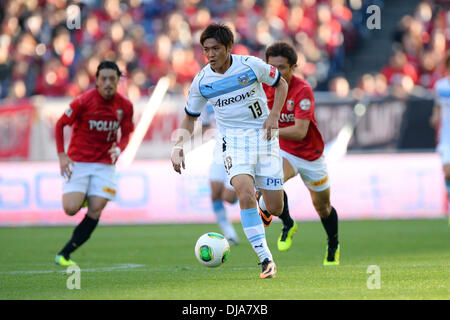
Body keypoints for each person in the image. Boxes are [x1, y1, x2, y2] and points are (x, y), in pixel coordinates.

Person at [171, 23, 288, 279]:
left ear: (228, 48)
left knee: (276, 207)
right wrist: (178, 145)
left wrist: (274, 116)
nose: (211, 54)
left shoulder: (251, 65)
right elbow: (190, 117)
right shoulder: (202, 81)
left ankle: (264, 204)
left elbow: (281, 85)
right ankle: (265, 259)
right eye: (206, 50)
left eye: (215, 49)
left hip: (265, 137)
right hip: (233, 142)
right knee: (243, 192)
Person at [259, 42, 340, 265]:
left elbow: (300, 131)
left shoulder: (302, 90)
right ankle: (287, 223)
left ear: (293, 67)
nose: (276, 72)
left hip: (311, 155)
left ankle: (333, 243)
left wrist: (271, 129)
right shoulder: (263, 87)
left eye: (282, 67)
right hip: (285, 152)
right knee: (270, 183)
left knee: (322, 207)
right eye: (272, 67)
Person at [54, 61, 134, 266]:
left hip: (105, 164)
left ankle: (64, 254)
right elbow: (60, 124)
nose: (108, 83)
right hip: (78, 162)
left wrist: (120, 148)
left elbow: (126, 134)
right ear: (97, 81)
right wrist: (62, 155)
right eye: (103, 79)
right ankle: (86, 193)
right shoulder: (83, 101)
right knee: (71, 209)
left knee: (96, 209)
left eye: (112, 79)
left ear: (118, 81)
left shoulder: (125, 106)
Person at [201, 103, 240, 245]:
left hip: (238, 151)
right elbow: (205, 125)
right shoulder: (206, 100)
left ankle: (247, 184)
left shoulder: (235, 92)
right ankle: (229, 234)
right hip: (219, 150)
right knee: (215, 193)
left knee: (228, 198)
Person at [430, 52, 450, 217]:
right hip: (446, 135)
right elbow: (437, 108)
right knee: (447, 170)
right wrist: (435, 117)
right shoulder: (441, 86)